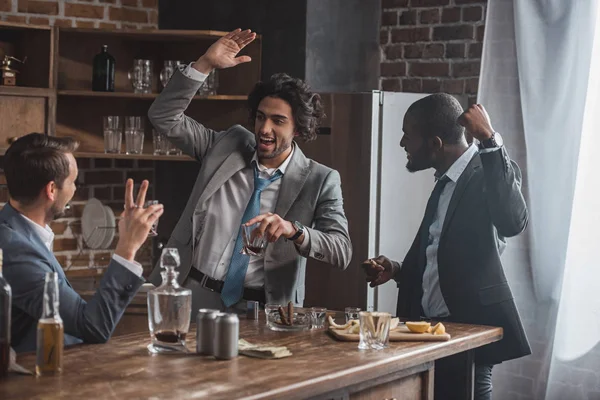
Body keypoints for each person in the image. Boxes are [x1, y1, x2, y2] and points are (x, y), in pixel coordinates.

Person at [147, 29, 352, 314]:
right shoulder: (226, 145)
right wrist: (204, 64)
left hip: (263, 312)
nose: (264, 129)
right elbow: (163, 117)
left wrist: (294, 231)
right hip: (192, 294)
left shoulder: (320, 179)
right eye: (260, 117)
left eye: (278, 121)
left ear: (299, 129)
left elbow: (341, 250)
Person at [362, 94, 531, 400]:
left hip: (469, 334)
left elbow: (513, 222)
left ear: (435, 143)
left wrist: (490, 140)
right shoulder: (444, 182)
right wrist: (398, 270)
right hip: (428, 333)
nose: (402, 143)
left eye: (408, 135)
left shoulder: (487, 172)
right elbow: (439, 253)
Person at [0, 133, 164, 352]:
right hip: (34, 379)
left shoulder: (19, 232)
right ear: (51, 190)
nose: (75, 189)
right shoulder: (14, 250)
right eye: (72, 181)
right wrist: (128, 247)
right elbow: (93, 326)